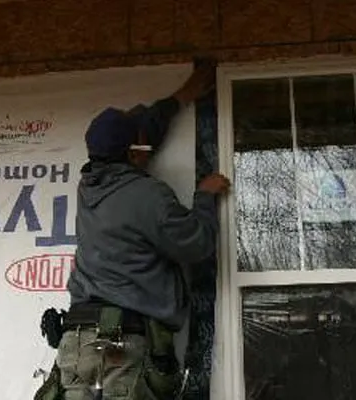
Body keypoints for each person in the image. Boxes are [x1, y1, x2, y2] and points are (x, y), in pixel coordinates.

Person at [47, 65, 230, 400]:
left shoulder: (89, 184)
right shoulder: (148, 196)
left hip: (76, 342)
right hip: (120, 346)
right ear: (133, 153)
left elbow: (141, 130)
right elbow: (196, 244)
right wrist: (204, 197)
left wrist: (183, 95)